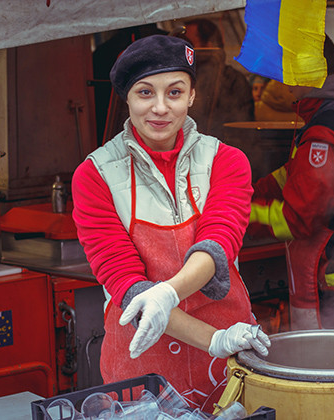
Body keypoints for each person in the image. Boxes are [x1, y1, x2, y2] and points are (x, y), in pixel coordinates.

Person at [72, 35, 270, 411]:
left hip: (228, 352)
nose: (160, 108)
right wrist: (211, 339)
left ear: (192, 95)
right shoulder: (94, 175)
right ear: (126, 97)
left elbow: (219, 241)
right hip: (143, 364)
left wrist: (215, 337)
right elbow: (126, 282)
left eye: (175, 92)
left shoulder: (226, 161)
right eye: (145, 93)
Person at [246, 36, 334, 330]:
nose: (278, 77)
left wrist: (240, 213)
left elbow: (296, 219)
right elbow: (296, 173)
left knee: (325, 366)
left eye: (284, 68)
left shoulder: (323, 131)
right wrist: (248, 191)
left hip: (333, 278)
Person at [177, 18, 254, 140]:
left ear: (209, 45)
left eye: (189, 44)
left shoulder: (233, 81)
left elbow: (242, 132)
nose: (184, 51)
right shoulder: (180, 80)